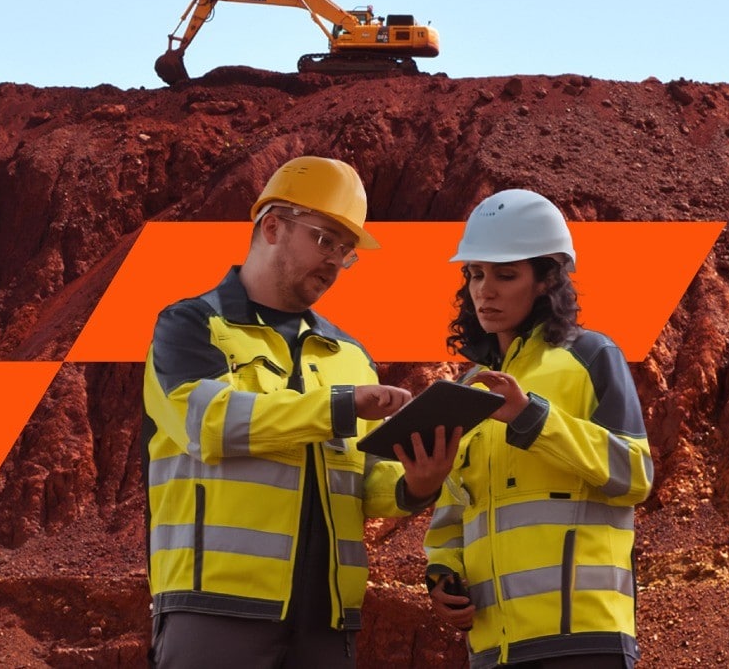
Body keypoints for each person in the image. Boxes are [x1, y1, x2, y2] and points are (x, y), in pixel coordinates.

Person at [144, 155, 458, 669]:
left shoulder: (351, 356)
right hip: (216, 609)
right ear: (271, 226)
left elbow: (364, 482)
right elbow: (209, 424)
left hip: (327, 620)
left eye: (346, 249)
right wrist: (340, 406)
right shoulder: (190, 327)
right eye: (324, 239)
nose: (336, 259)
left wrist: (415, 485)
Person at [425, 189, 654, 668]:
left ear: (546, 280)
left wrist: (533, 418)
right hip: (493, 648)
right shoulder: (469, 387)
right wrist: (442, 572)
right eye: (475, 274)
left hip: (583, 640)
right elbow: (453, 507)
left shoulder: (591, 356)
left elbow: (634, 474)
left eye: (506, 275)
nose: (485, 290)